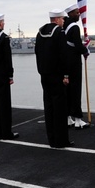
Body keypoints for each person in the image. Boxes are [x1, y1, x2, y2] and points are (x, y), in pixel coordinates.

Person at [35, 9, 72, 149]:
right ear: (56, 20)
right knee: (60, 109)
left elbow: (37, 53)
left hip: (44, 75)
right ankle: (61, 140)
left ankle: (51, 139)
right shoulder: (59, 33)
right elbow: (64, 55)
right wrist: (66, 75)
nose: (64, 21)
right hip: (57, 76)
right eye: (62, 19)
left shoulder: (40, 33)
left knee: (49, 107)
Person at [64, 3, 90, 128]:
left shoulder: (64, 26)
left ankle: (68, 117)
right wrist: (85, 50)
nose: (79, 15)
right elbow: (77, 45)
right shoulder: (74, 27)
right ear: (70, 14)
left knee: (67, 90)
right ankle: (78, 119)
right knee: (76, 89)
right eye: (76, 12)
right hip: (74, 61)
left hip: (65, 61)